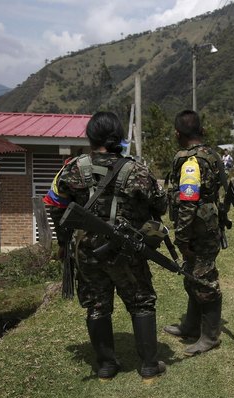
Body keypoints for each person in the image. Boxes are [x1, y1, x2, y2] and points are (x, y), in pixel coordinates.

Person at [43, 111, 167, 381]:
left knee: (97, 306)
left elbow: (54, 205)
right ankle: (148, 365)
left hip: (86, 251)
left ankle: (106, 366)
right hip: (126, 250)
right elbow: (160, 205)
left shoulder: (72, 168)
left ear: (91, 136)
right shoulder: (136, 169)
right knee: (141, 302)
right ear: (118, 137)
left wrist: (63, 243)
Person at [163, 110, 223, 356]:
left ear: (178, 134)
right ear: (201, 130)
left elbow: (188, 202)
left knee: (204, 280)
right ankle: (190, 325)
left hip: (198, 231)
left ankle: (209, 337)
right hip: (205, 226)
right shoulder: (210, 155)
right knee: (192, 276)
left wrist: (182, 238)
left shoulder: (190, 162)